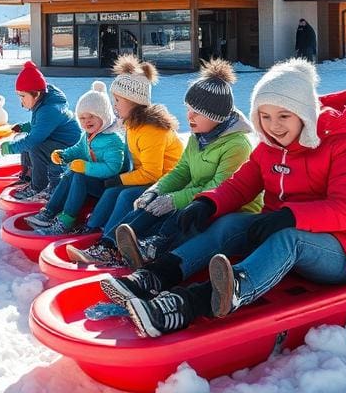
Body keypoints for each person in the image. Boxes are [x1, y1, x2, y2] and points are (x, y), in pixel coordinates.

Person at [101, 59, 346, 338]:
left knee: (290, 238)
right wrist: (206, 202)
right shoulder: (269, 148)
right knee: (230, 223)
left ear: (305, 114)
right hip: (284, 228)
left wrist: (289, 216)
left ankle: (193, 302)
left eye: (284, 116)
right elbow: (240, 185)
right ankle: (158, 274)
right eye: (265, 116)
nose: (274, 126)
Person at [100, 60, 262, 269]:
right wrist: (156, 190)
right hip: (197, 197)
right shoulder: (199, 136)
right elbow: (182, 171)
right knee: (151, 205)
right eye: (188, 109)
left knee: (182, 213)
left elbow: (220, 188)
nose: (189, 117)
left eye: (196, 112)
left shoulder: (237, 145)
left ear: (216, 116)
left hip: (229, 207)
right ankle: (111, 244)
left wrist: (175, 199)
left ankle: (154, 248)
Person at [66, 56, 183, 264]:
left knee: (125, 195)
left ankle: (109, 247)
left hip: (167, 183)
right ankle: (94, 229)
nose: (114, 105)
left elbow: (152, 173)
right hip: (150, 179)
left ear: (134, 101)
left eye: (118, 101)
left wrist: (120, 179)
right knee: (112, 191)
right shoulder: (132, 124)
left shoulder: (151, 130)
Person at [25, 81, 125, 235]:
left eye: (91, 116)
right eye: (82, 118)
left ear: (104, 116)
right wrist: (64, 155)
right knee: (70, 173)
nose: (86, 121)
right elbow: (78, 149)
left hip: (108, 186)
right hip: (94, 181)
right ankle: (49, 212)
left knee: (79, 175)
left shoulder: (113, 139)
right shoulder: (88, 135)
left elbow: (113, 167)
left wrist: (86, 168)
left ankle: (66, 221)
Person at [0, 62, 83, 202]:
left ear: (36, 94)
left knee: (34, 147)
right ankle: (29, 176)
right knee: (26, 141)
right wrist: (25, 127)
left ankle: (38, 186)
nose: (21, 102)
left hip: (70, 145)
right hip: (55, 138)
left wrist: (11, 147)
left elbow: (35, 139)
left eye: (23, 96)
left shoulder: (49, 109)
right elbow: (41, 126)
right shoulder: (43, 101)